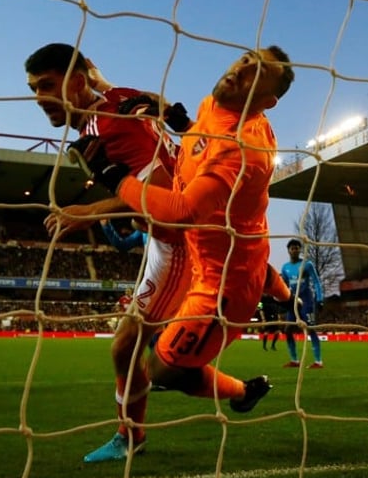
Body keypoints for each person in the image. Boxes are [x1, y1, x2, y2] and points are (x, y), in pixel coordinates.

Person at [69, 46, 295, 413]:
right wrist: (173, 116)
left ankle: (243, 391)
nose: (242, 68)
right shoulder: (215, 105)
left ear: (267, 101)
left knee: (160, 370)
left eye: (257, 71)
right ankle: (281, 292)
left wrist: (115, 177)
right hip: (223, 251)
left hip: (222, 287)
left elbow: (182, 211)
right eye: (246, 58)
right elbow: (202, 141)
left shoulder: (244, 150)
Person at [27, 42, 191, 464]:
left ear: (77, 82)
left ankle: (130, 436)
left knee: (134, 349)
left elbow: (161, 194)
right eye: (33, 89)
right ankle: (133, 431)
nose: (40, 99)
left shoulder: (112, 126)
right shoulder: (115, 97)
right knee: (132, 349)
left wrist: (89, 212)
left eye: (47, 85)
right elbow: (97, 74)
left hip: (180, 240)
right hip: (161, 237)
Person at [280, 238, 326, 368]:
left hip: (306, 300)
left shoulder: (307, 264)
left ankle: (318, 361)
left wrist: (320, 299)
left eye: (297, 248)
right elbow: (284, 285)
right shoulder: (285, 268)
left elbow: (316, 282)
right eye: (292, 248)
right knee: (288, 330)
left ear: (300, 250)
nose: (295, 250)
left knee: (311, 329)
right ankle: (294, 360)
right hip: (293, 302)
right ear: (288, 250)